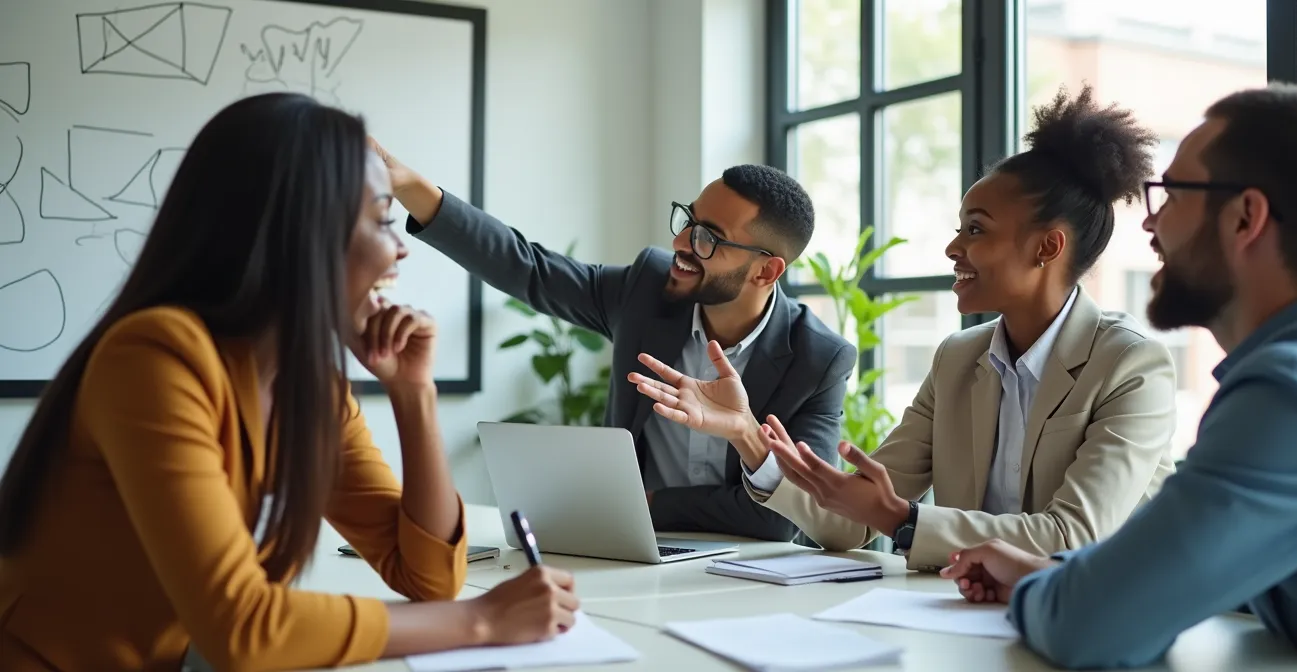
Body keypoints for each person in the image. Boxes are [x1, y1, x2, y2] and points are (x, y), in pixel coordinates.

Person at [0, 93, 578, 671]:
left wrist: (413, 393)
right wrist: (484, 620)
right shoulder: (155, 358)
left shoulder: (312, 391)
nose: (401, 247)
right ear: (305, 230)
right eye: (382, 219)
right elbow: (243, 630)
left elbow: (429, 579)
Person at [631, 84, 1178, 570]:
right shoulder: (959, 359)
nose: (952, 248)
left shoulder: (1129, 366)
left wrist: (903, 520)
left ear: (1046, 246)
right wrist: (748, 437)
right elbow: (850, 521)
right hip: (968, 620)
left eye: (975, 230)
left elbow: (1072, 538)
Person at [941, 83, 1297, 668]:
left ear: (1246, 218)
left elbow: (1091, 626)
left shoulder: (1289, 391)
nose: (1150, 225)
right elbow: (1192, 564)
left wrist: (1056, 589)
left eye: (1172, 195)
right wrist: (1059, 574)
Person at [370, 140, 856, 542]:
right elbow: (529, 270)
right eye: (689, 220)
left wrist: (649, 503)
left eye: (710, 237)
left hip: (751, 571)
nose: (682, 243)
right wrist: (413, 187)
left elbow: (785, 515)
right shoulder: (648, 289)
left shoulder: (819, 359)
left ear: (767, 271)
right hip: (629, 548)